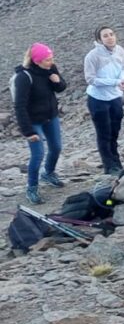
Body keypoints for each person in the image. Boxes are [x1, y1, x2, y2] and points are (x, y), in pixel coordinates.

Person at [13, 43, 66, 204]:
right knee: (38, 155)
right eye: (47, 60)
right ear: (37, 61)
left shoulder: (50, 68)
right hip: (33, 121)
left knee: (56, 147)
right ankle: (32, 187)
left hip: (51, 116)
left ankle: (48, 173)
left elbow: (61, 87)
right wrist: (28, 132)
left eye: (51, 58)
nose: (51, 62)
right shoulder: (24, 77)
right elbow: (19, 106)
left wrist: (57, 81)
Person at [84, 25, 124, 175]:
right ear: (99, 39)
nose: (110, 37)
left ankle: (116, 161)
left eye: (111, 34)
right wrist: (114, 82)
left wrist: (122, 79)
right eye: (105, 36)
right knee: (104, 132)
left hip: (115, 96)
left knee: (115, 131)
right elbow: (91, 79)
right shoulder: (92, 56)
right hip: (98, 98)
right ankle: (109, 166)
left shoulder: (120, 50)